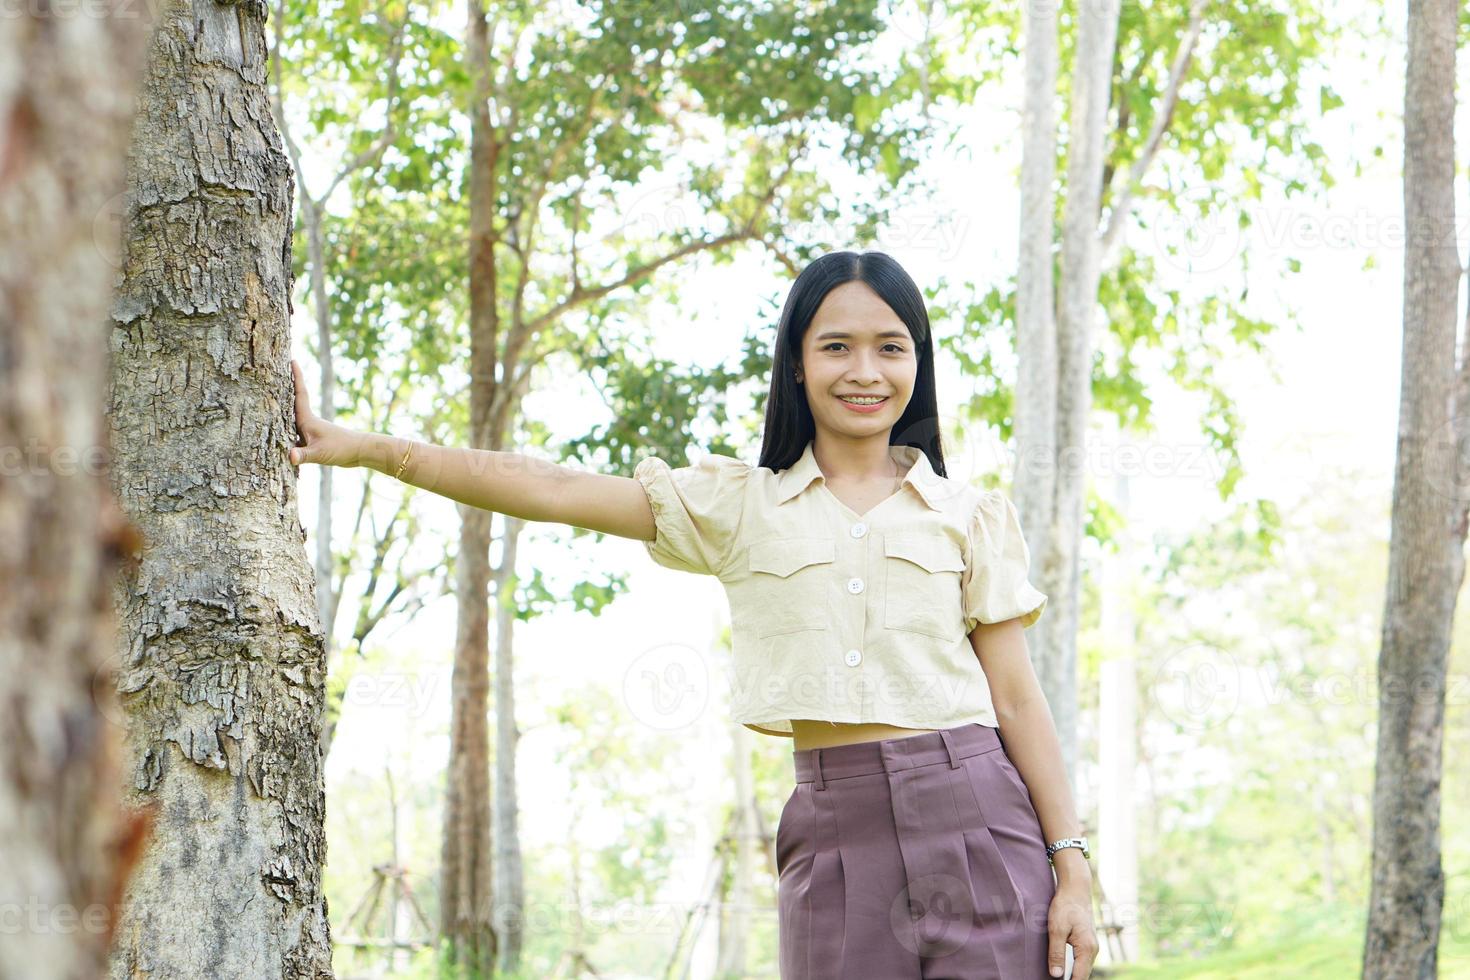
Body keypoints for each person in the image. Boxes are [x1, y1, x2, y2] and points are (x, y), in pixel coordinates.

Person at [289, 249, 1099, 979]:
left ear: (917, 363)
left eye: (891, 347)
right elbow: (551, 486)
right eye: (836, 347)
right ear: (795, 366)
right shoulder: (739, 505)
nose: (865, 371)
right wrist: (368, 449)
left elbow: (1018, 700)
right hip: (834, 826)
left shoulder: (969, 513)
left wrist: (1072, 868)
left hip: (978, 814)